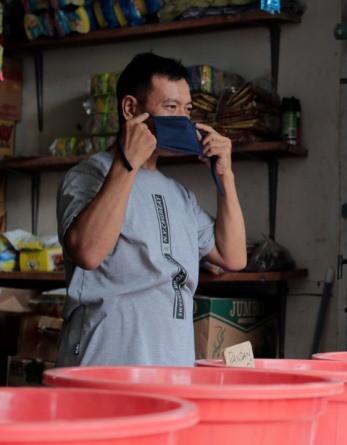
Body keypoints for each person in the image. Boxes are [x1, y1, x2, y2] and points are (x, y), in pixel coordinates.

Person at [55, 52, 247, 367]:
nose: (183, 121)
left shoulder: (179, 194)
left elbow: (234, 256)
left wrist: (226, 174)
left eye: (187, 110)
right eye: (170, 108)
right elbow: (87, 252)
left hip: (169, 370)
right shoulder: (88, 176)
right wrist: (128, 162)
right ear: (131, 109)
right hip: (102, 370)